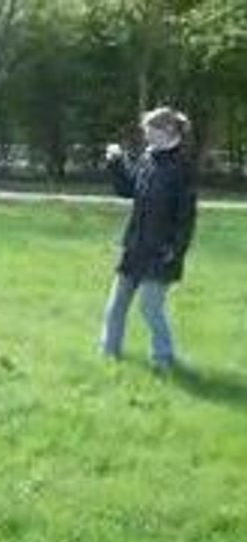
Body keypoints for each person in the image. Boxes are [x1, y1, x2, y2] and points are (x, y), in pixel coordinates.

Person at [100, 106, 198, 370]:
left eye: (150, 130)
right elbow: (127, 190)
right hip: (135, 245)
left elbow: (186, 217)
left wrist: (175, 250)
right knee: (116, 303)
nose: (146, 136)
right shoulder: (148, 158)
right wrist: (116, 163)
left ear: (168, 131)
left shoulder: (182, 168)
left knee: (149, 307)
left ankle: (163, 358)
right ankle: (109, 354)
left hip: (161, 251)